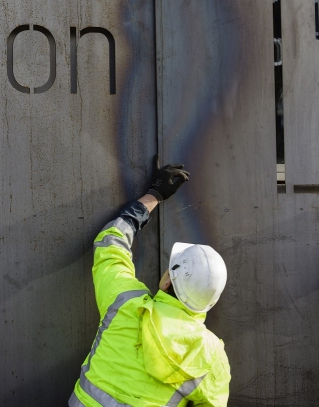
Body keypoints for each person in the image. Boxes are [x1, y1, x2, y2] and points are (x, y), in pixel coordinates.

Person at [68, 162, 231, 407]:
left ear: (167, 280)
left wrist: (154, 195)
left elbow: (111, 242)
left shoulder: (125, 303)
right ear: (210, 302)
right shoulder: (212, 356)